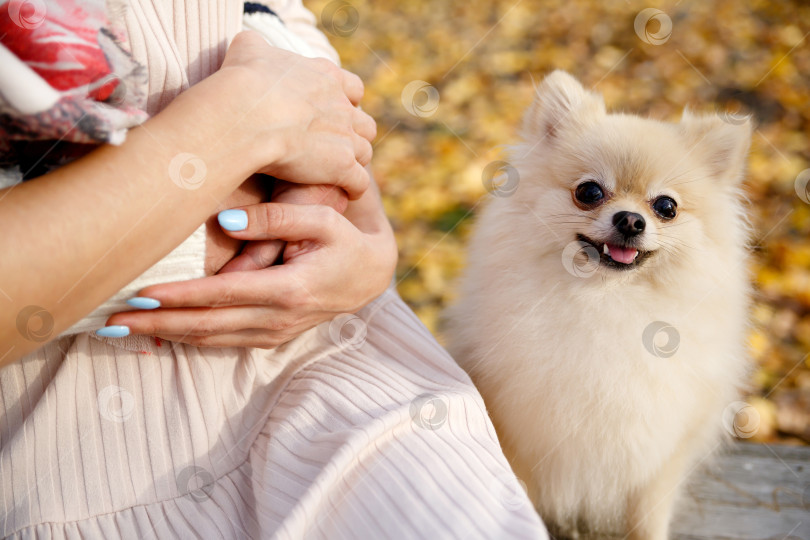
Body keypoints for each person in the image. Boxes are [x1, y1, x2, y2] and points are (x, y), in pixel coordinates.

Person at [0, 1, 548, 538]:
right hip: (75, 468)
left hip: (333, 371)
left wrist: (359, 217)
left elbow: (275, 15)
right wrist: (236, 132)